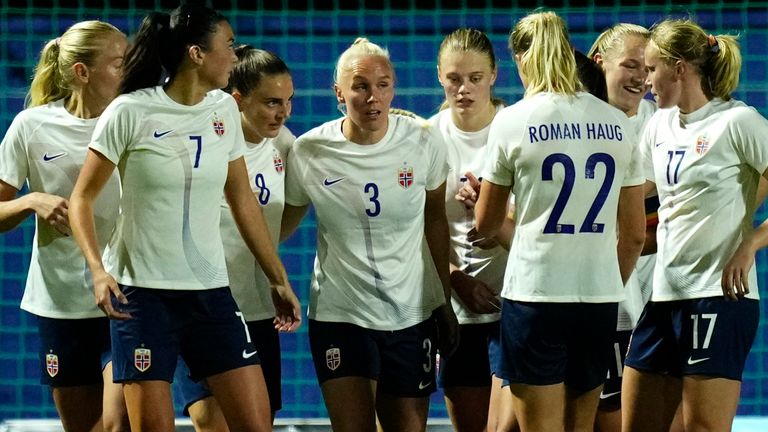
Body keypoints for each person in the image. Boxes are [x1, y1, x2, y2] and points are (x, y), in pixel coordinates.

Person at [68, 5, 301, 432]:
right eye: (227, 45)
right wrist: (98, 271)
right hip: (142, 298)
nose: (235, 55)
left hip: (211, 295)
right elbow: (81, 198)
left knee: (257, 425)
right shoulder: (129, 112)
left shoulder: (223, 111)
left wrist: (277, 276)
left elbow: (242, 199)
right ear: (196, 53)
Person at [474, 11, 646, 432]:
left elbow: (486, 222)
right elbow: (635, 234)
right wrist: (607, 281)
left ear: (521, 60)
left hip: (536, 295)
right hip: (598, 300)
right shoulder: (618, 124)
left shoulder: (512, 120)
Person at [281, 37, 459, 432]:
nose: (373, 96)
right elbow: (280, 225)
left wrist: (442, 300)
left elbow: (435, 220)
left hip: (410, 312)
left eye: (383, 84)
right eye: (360, 85)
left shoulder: (423, 140)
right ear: (339, 93)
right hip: (341, 313)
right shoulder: (310, 150)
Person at [621, 18, 768, 432]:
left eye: (651, 69)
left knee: (702, 427)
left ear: (679, 68)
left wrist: (750, 244)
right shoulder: (659, 126)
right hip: (665, 296)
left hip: (718, 297)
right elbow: (631, 194)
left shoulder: (737, 122)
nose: (646, 79)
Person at [0, 21, 129, 432]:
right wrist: (30, 200)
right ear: (81, 72)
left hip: (126, 295)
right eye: (118, 63)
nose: (128, 71)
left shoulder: (133, 120)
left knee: (116, 424)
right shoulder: (32, 126)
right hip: (59, 301)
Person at [173, 45, 296, 432]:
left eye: (289, 101)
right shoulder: (205, 142)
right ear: (237, 99)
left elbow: (289, 208)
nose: (283, 112)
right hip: (203, 308)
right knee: (212, 425)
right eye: (272, 102)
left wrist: (267, 250)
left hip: (258, 310)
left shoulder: (285, 144)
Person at [429, 27, 517, 432]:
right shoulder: (428, 139)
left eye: (475, 78)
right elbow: (416, 229)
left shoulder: (516, 131)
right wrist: (454, 280)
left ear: (495, 75)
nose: (463, 89)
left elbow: (539, 228)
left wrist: (493, 216)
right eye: (454, 79)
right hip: (458, 313)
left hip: (515, 306)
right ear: (439, 76)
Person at [586, 23, 658, 432]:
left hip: (648, 296)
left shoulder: (659, 121)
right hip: (588, 295)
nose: (641, 78)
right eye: (630, 65)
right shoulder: (573, 119)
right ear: (601, 63)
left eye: (647, 68)